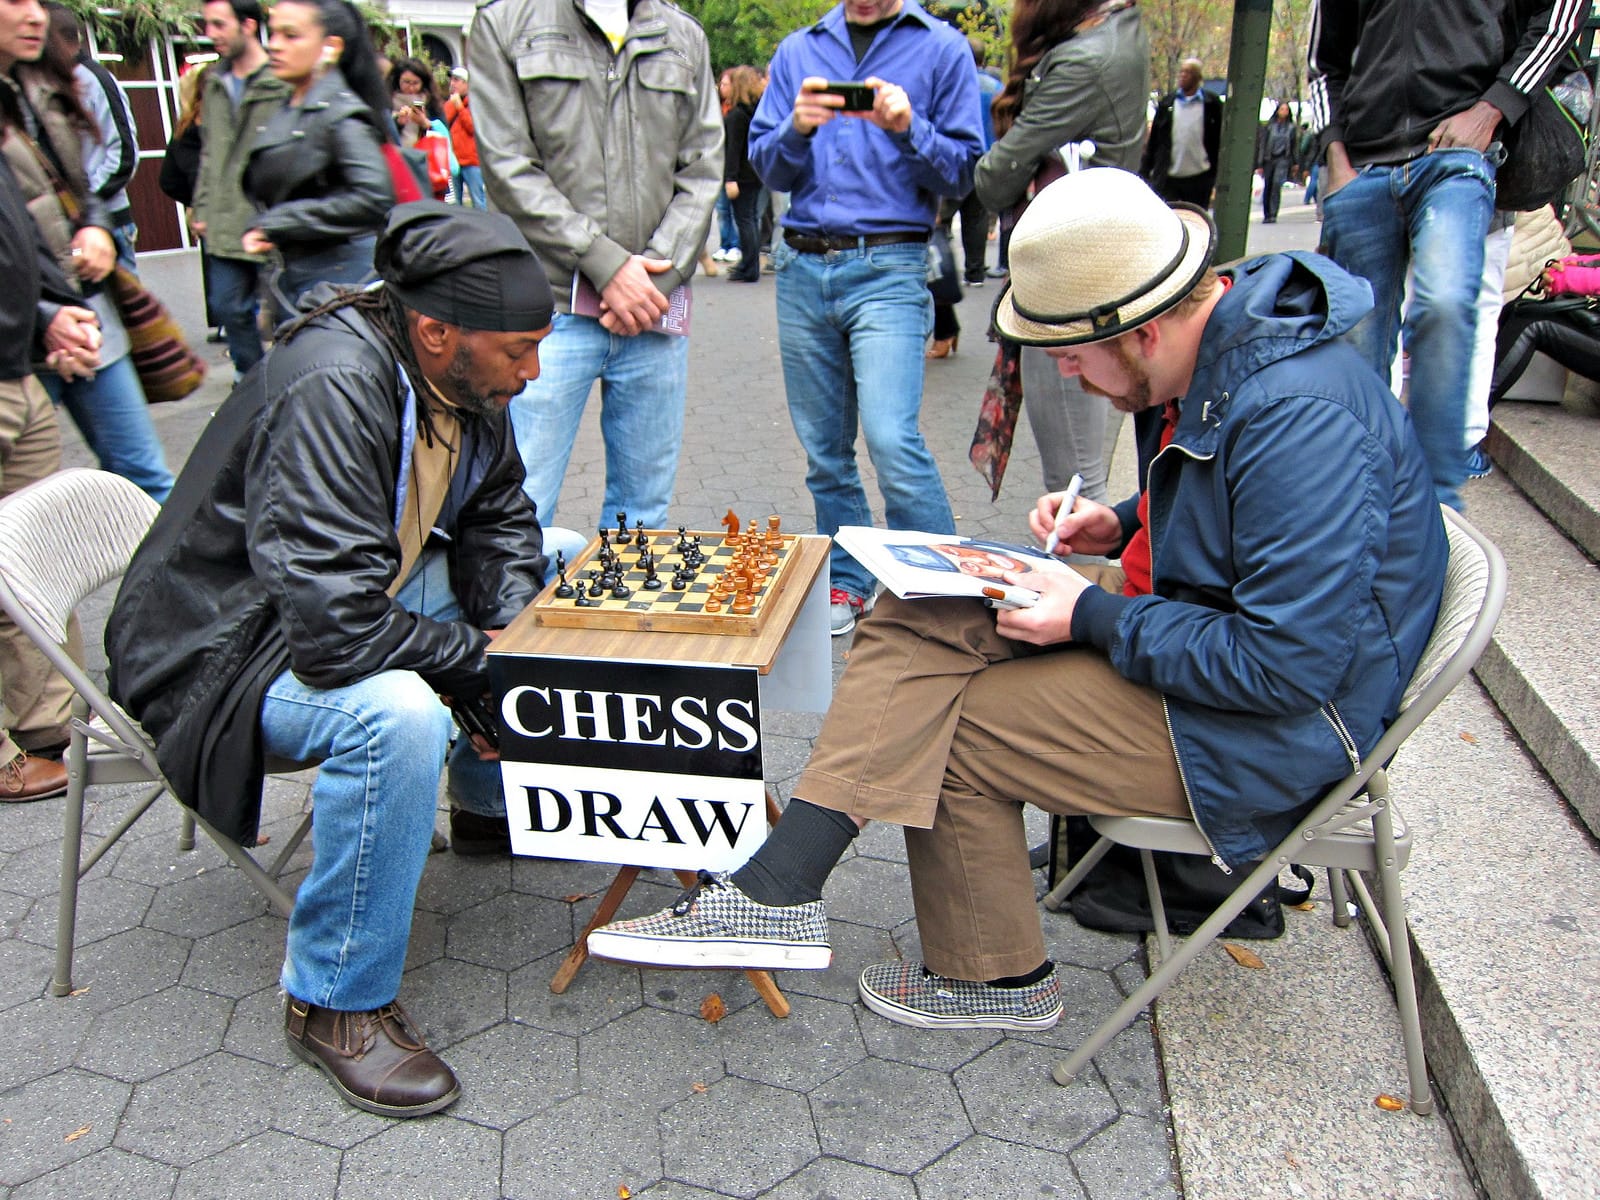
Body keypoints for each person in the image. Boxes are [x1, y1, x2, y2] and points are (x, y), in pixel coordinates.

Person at [586, 168, 1448, 1033]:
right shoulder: (1219, 353)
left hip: (1277, 728)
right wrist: (1118, 522)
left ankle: (992, 976)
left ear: (1139, 330)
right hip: (1211, 637)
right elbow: (1239, 508)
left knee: (953, 719)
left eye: (1071, 355)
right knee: (924, 609)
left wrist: (1088, 615)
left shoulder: (1300, 415)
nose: (1064, 374)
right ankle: (782, 890)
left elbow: (1287, 666)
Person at [105, 202, 556, 1118]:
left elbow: (502, 519)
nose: (533, 370)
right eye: (518, 349)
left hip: (324, 606)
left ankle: (482, 810)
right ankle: (333, 1003)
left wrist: (509, 641)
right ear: (435, 331)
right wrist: (479, 668)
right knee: (397, 717)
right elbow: (335, 634)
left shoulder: (468, 380)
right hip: (219, 655)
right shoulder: (334, 382)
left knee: (554, 576)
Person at [748, 0, 983, 636]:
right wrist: (795, 127)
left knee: (890, 437)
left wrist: (909, 126)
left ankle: (941, 592)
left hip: (891, 265)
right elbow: (766, 164)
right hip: (801, 267)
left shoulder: (941, 49)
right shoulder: (800, 50)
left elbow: (966, 172)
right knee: (825, 453)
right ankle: (850, 580)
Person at [1308, 0, 1584, 509]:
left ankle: (1432, 510)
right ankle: (1357, 505)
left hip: (1458, 152)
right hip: (1364, 165)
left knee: (1446, 308)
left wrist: (1493, 108)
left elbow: (1561, 15)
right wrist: (1334, 153)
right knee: (1355, 351)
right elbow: (1323, 63)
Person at [471, 0, 721, 536]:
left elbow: (703, 168)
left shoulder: (681, 35)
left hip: (654, 310)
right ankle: (514, 620)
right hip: (546, 309)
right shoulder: (507, 23)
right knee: (519, 505)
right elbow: (508, 168)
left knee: (642, 517)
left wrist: (656, 278)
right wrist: (607, 265)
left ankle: (622, 619)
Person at [973, 0, 1147, 502]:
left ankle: (1078, 578)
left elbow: (992, 177)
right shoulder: (1114, 34)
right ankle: (1082, 569)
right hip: (1090, 270)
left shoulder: (1087, 60)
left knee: (1073, 478)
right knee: (1077, 471)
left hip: (1073, 281)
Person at [1, 4, 174, 501]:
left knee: (144, 476)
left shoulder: (41, 92)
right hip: (25, 331)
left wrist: (96, 227)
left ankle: (164, 580)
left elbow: (84, 182)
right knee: (23, 514)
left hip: (78, 309)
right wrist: (44, 314)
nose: (34, 15)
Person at [0, 0, 100, 803]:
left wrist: (42, 316)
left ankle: (48, 733)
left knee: (30, 568)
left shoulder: (18, 100)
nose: (34, 12)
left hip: (19, 364)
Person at [241, 0, 394, 313]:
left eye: (291, 35)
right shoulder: (296, 107)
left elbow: (375, 197)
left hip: (343, 281)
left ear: (331, 47)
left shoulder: (339, 115)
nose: (275, 46)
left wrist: (278, 222)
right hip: (310, 279)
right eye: (273, 34)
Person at [193, 0, 288, 377]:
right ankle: (253, 385)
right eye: (207, 25)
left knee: (285, 314)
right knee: (228, 307)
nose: (211, 33)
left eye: (219, 24)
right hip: (224, 218)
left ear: (247, 25)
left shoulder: (278, 79)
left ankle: (288, 384)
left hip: (271, 221)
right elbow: (209, 151)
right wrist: (201, 206)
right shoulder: (215, 83)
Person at [43, 6, 138, 270]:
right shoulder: (48, 84)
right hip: (71, 227)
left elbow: (124, 156)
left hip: (109, 224)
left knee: (122, 310)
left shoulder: (95, 80)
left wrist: (85, 201)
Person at [1139, 57, 1222, 208]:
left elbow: (1218, 140)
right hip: (1169, 176)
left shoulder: (1211, 104)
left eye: (1188, 72)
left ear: (1198, 78)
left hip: (1200, 177)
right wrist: (1146, 170)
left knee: (1196, 220)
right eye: (1182, 72)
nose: (1183, 75)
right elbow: (1155, 141)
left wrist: (1214, 176)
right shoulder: (1168, 103)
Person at [958, 34, 1002, 287]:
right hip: (988, 158)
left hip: (959, 157)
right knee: (976, 216)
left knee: (942, 216)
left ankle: (940, 270)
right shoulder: (994, 87)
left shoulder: (956, 83)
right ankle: (975, 271)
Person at [722, 64, 764, 284]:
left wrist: (730, 177)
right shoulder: (756, 111)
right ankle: (750, 264)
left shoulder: (738, 115)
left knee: (745, 220)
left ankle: (749, 267)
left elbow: (733, 149)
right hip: (755, 173)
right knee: (751, 220)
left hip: (742, 175)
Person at [711, 68, 742, 266]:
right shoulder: (716, 109)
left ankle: (735, 245)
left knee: (735, 210)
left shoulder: (738, 112)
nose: (722, 88)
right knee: (722, 210)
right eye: (721, 84)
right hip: (718, 167)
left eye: (726, 84)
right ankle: (724, 244)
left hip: (733, 170)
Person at [443, 66, 483, 209]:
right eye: (451, 80)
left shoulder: (475, 103)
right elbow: (444, 126)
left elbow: (473, 128)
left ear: (466, 83)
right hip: (454, 161)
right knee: (456, 204)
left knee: (478, 201)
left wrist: (460, 107)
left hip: (471, 161)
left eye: (457, 80)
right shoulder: (449, 104)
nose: (452, 83)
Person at [1255, 100, 1295, 224]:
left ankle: (1273, 213)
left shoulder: (1291, 128)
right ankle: (1266, 213)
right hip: (1269, 158)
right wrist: (1260, 163)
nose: (1284, 112)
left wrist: (1295, 162)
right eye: (1282, 109)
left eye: (1286, 110)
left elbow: (1294, 146)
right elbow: (1263, 144)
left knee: (1277, 184)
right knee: (1268, 185)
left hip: (1283, 158)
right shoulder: (1269, 126)